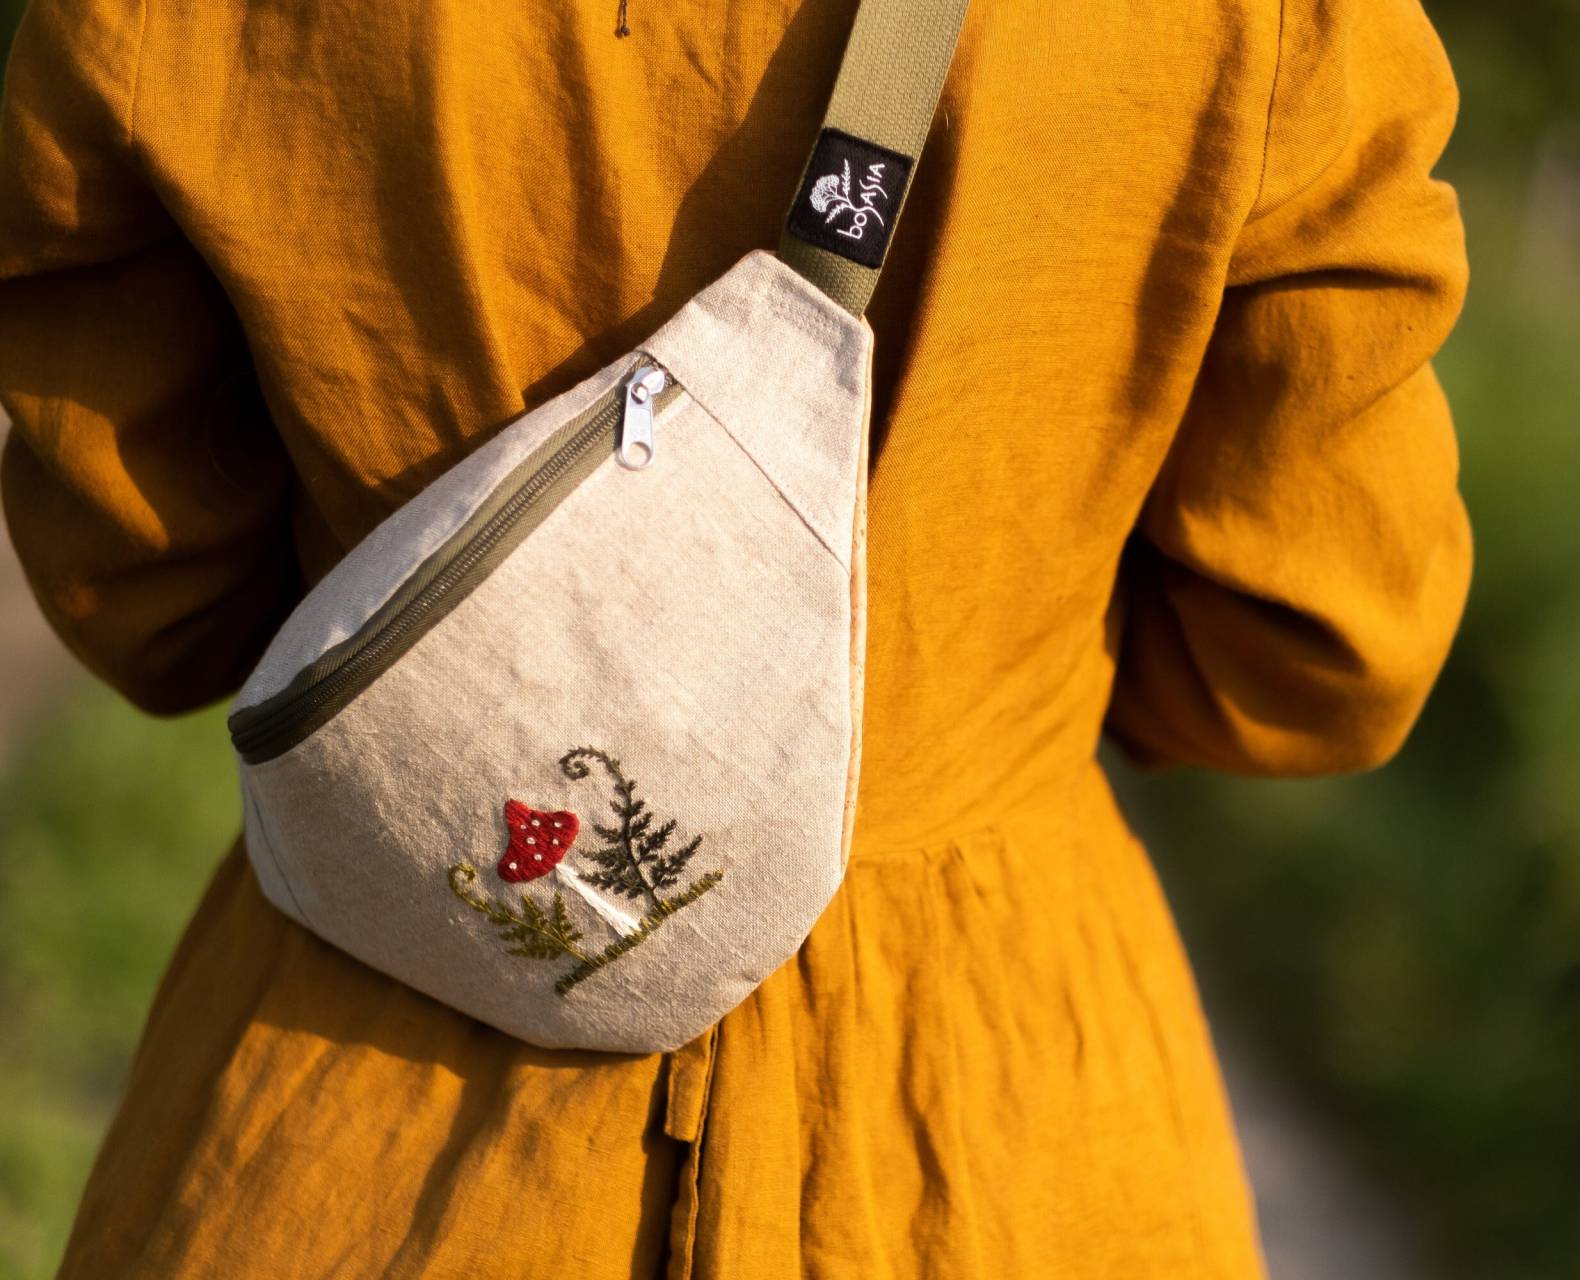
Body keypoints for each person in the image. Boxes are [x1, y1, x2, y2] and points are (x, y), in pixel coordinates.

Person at [0, 0, 1472, 1273]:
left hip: (363, 1108)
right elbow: (1324, 652)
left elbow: (150, 602)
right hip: (989, 1131)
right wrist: (968, 698)